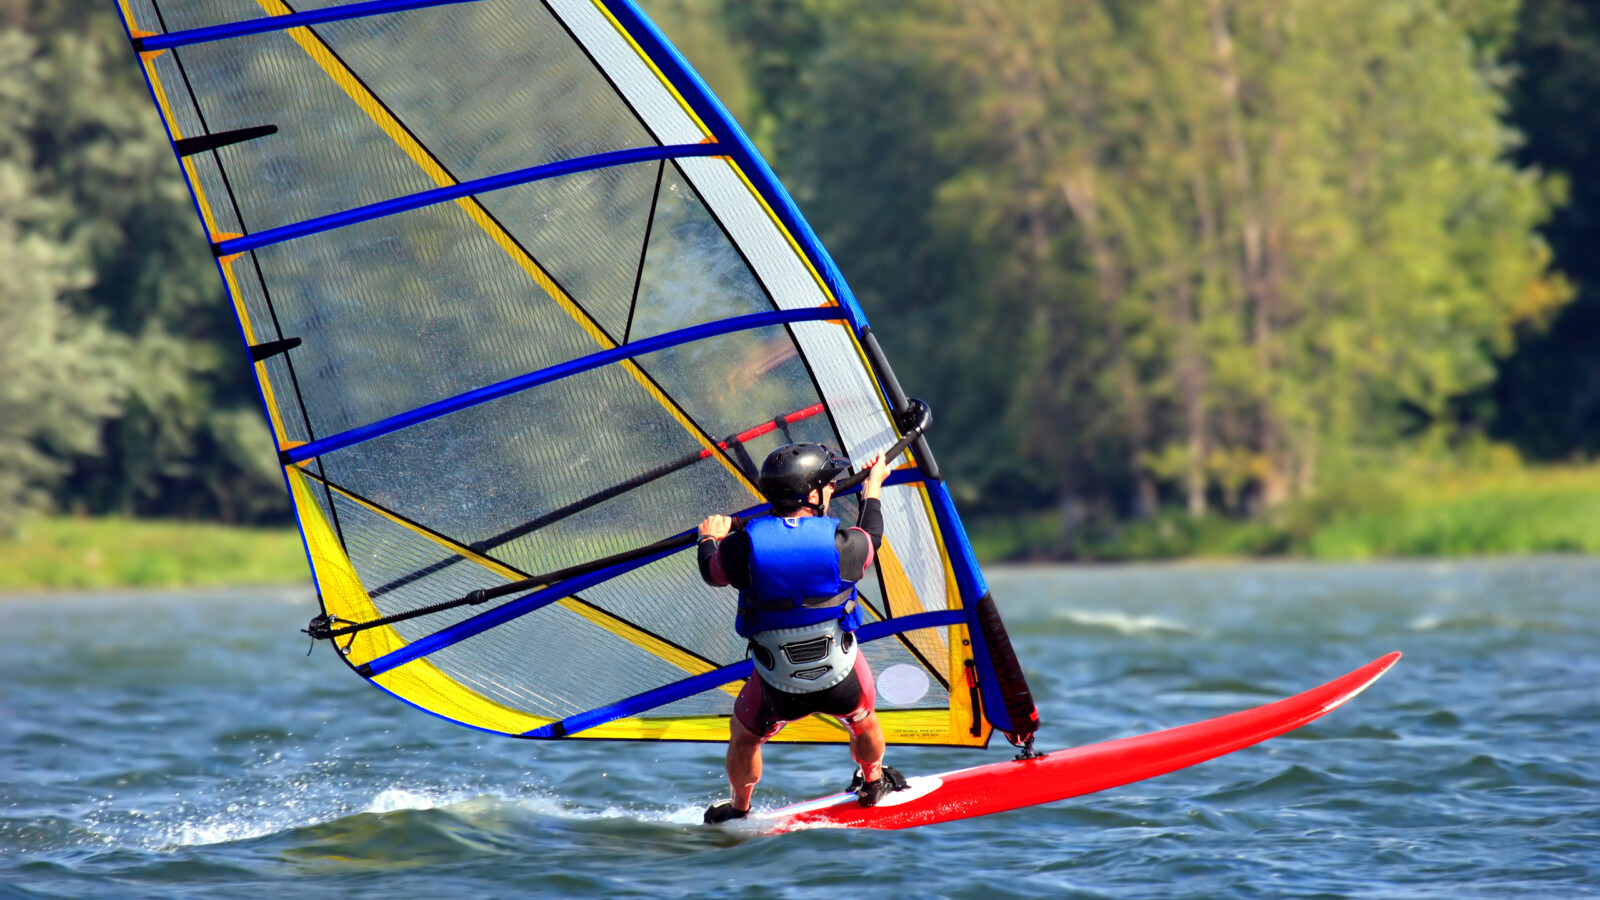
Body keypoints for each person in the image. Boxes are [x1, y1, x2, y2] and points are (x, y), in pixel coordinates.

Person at [697, 443, 907, 824]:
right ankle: (874, 780)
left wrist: (711, 538)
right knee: (864, 719)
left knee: (744, 736)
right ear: (812, 495)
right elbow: (871, 536)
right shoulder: (839, 544)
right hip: (841, 680)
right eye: (827, 485)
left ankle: (739, 809)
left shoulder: (742, 548)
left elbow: (711, 572)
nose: (831, 490)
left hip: (777, 688)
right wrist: (872, 486)